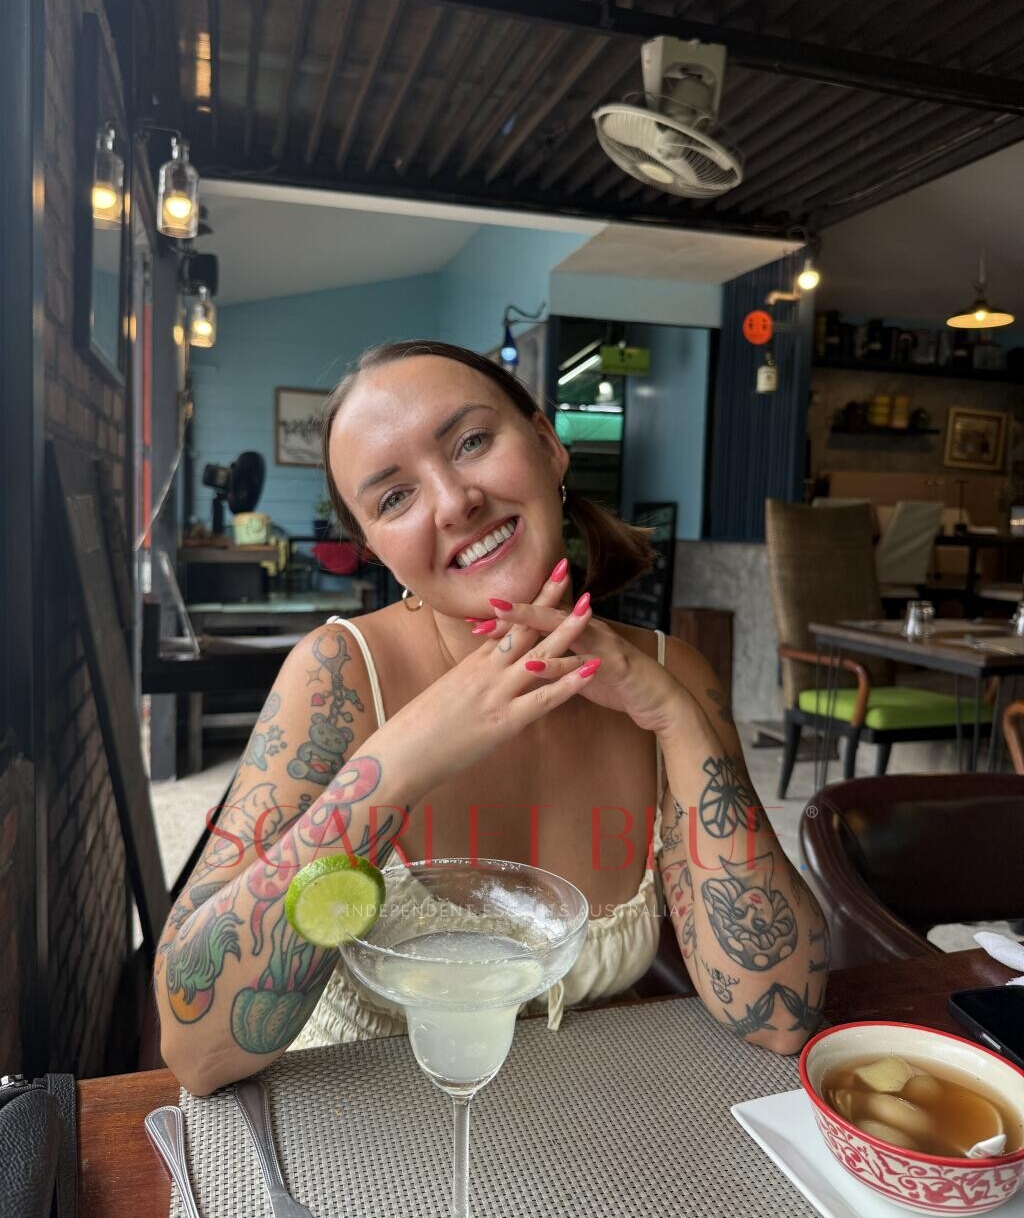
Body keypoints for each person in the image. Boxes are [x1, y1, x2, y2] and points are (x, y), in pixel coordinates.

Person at [156, 341, 829, 1096]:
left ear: (546, 443)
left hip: (589, 1126)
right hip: (357, 1141)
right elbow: (197, 1050)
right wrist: (400, 762)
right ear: (375, 548)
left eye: (471, 441)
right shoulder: (338, 677)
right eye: (394, 498)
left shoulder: (674, 674)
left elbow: (779, 1013)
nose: (454, 502)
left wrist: (674, 716)